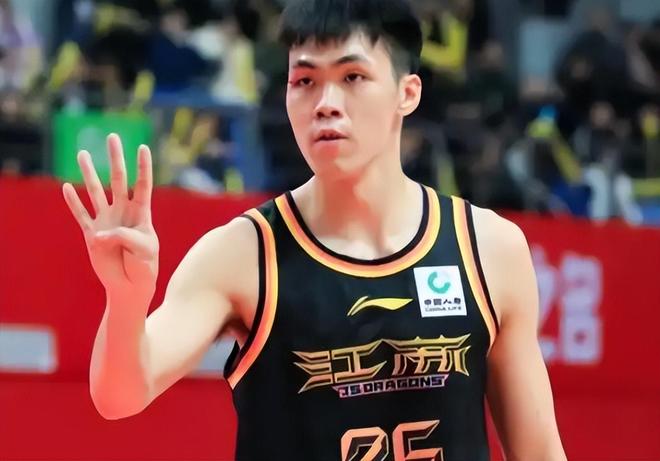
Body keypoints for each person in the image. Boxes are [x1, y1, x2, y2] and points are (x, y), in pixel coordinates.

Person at [62, 0, 567, 459]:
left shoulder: (488, 248)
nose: (325, 102)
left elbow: (540, 451)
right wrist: (125, 301)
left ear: (407, 93)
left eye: (352, 77)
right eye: (304, 81)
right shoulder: (242, 253)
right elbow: (119, 397)